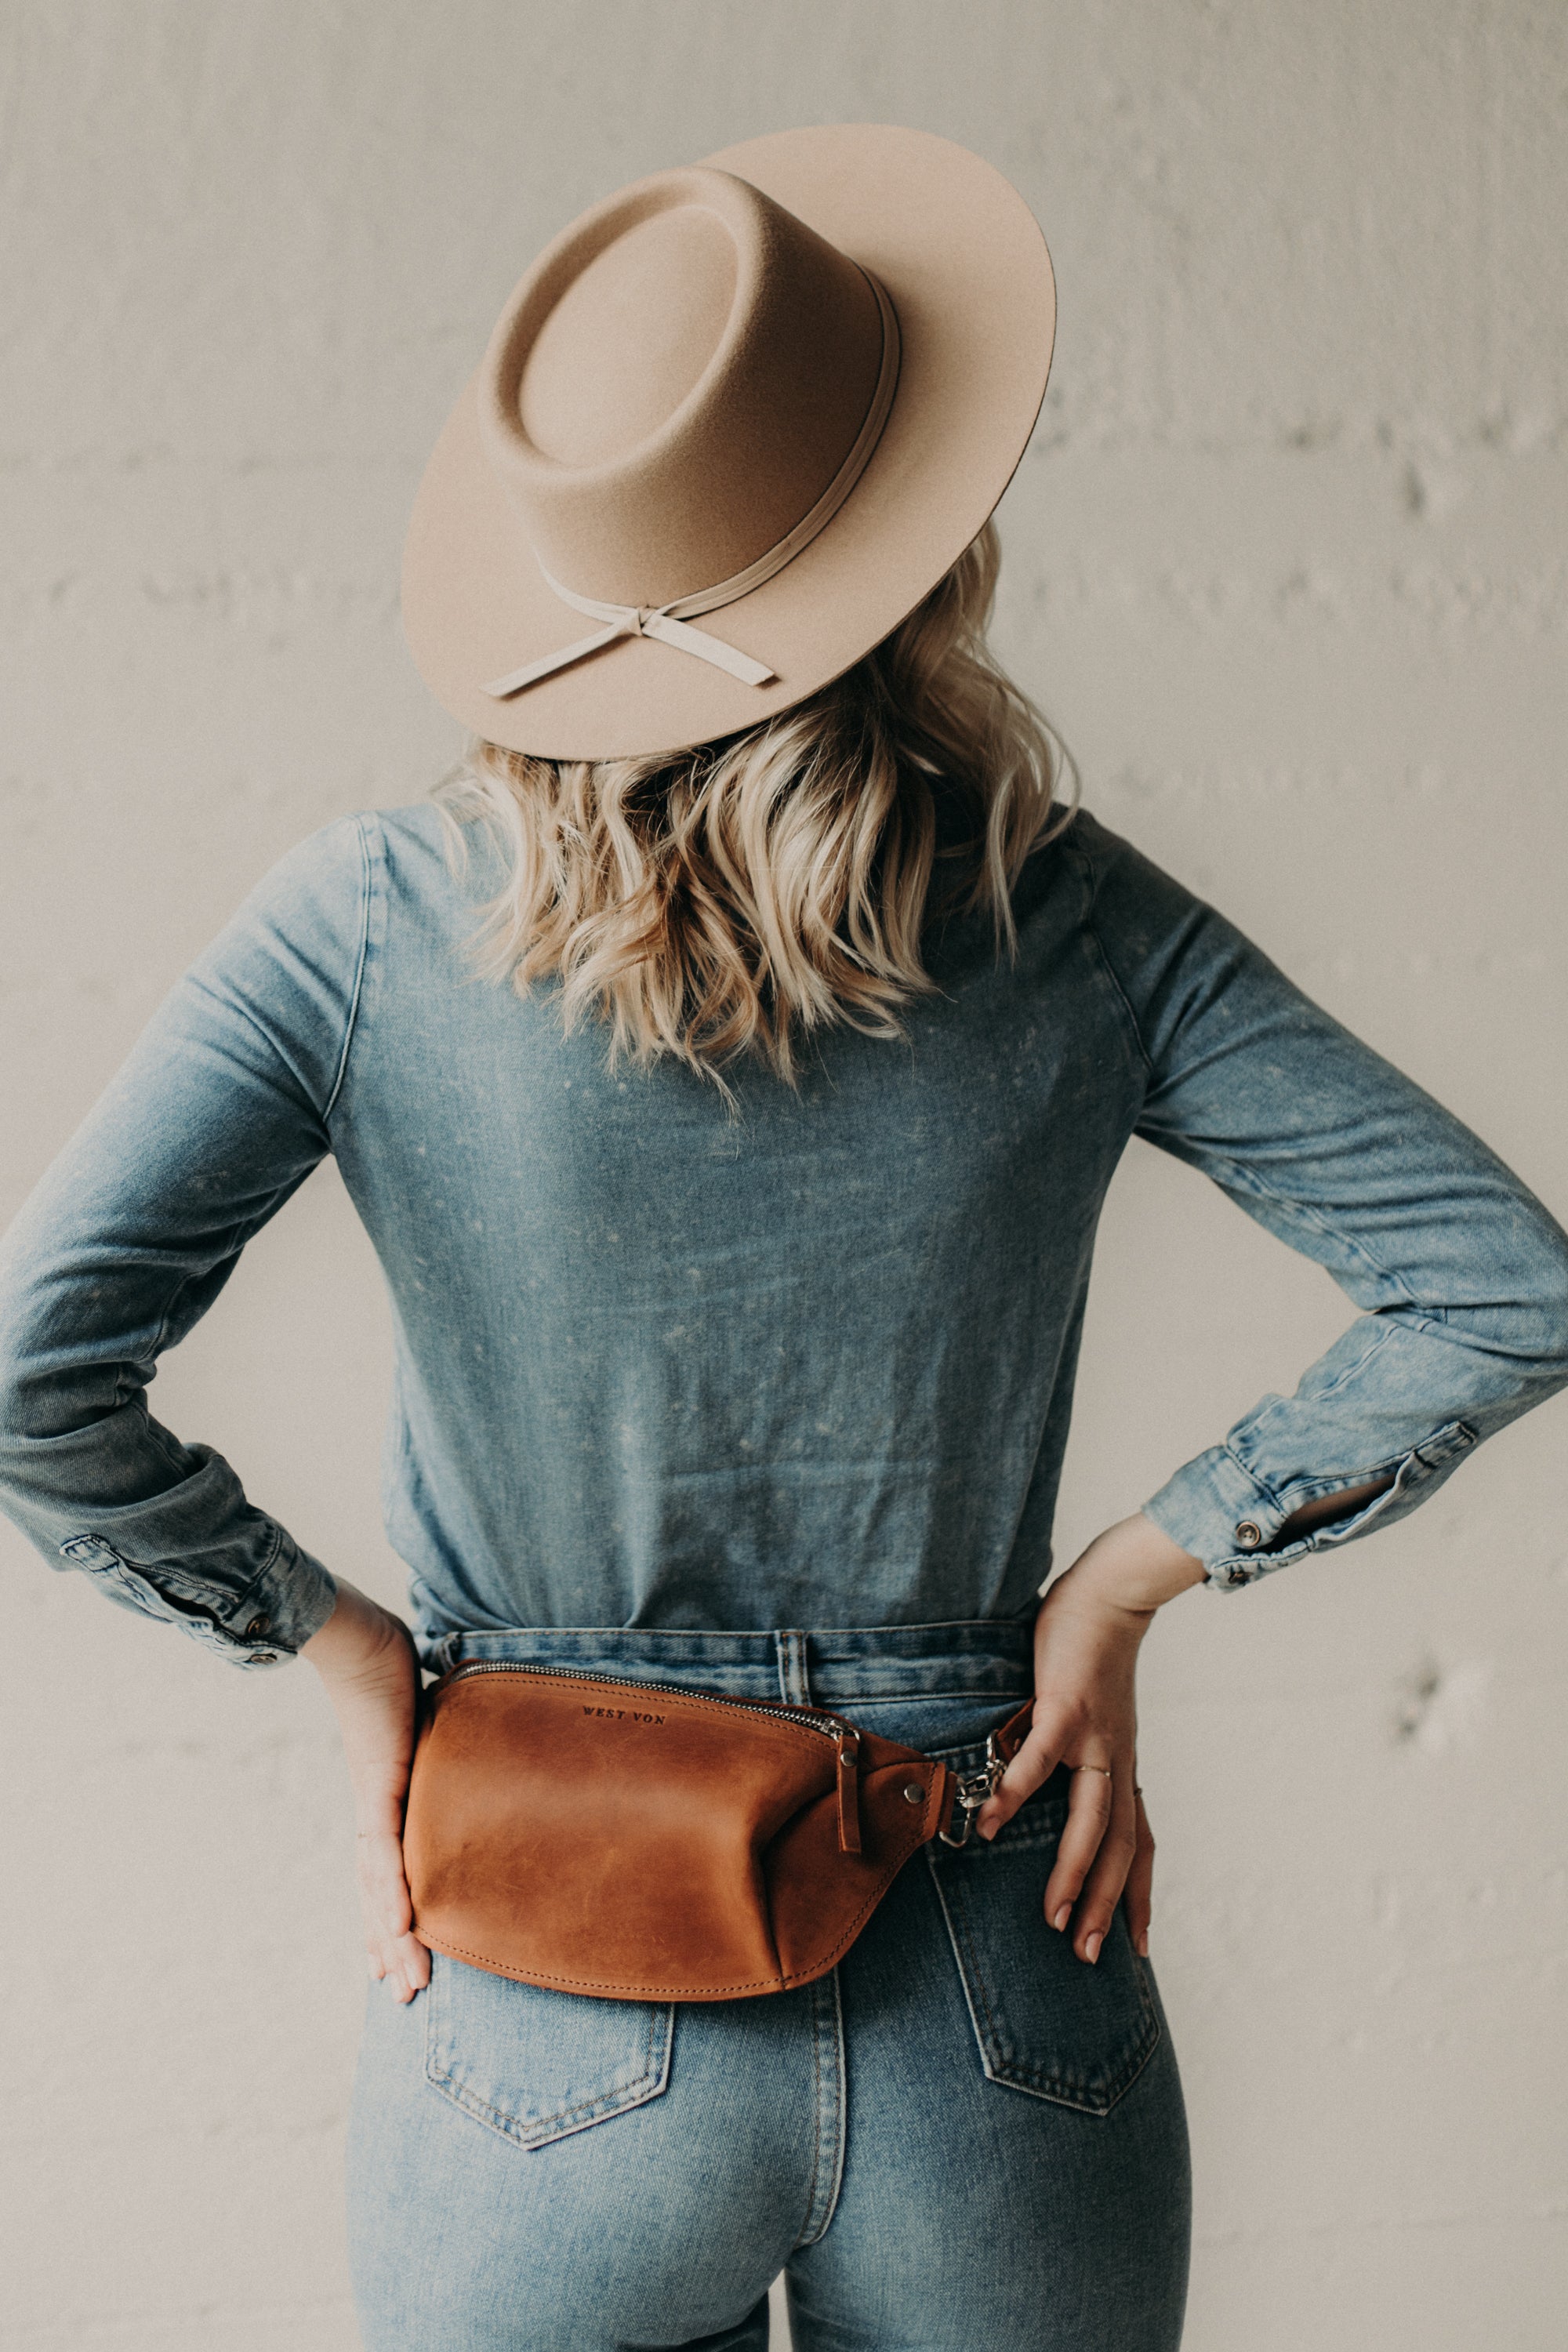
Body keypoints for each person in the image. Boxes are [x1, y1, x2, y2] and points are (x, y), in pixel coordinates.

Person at [2, 125, 1565, 2352]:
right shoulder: (1074, 920)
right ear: (922, 547)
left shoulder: (369, 924)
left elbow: (28, 1382)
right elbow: (1508, 1285)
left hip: (545, 1969)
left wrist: (343, 1656)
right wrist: (1134, 1574)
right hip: (991, 1956)